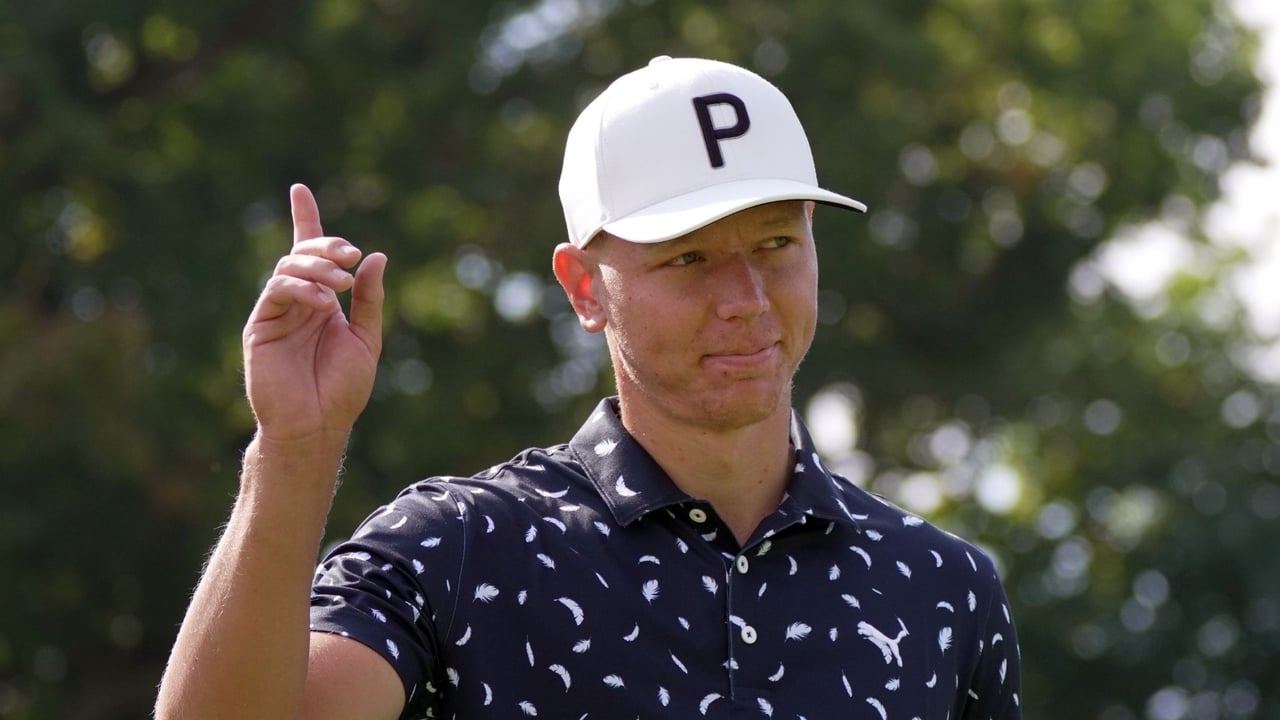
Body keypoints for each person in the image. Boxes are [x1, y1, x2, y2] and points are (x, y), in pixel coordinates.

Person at [156, 56, 1022, 720]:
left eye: (775, 245)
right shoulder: (460, 548)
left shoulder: (942, 587)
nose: (746, 300)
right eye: (688, 258)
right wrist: (295, 451)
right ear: (582, 288)